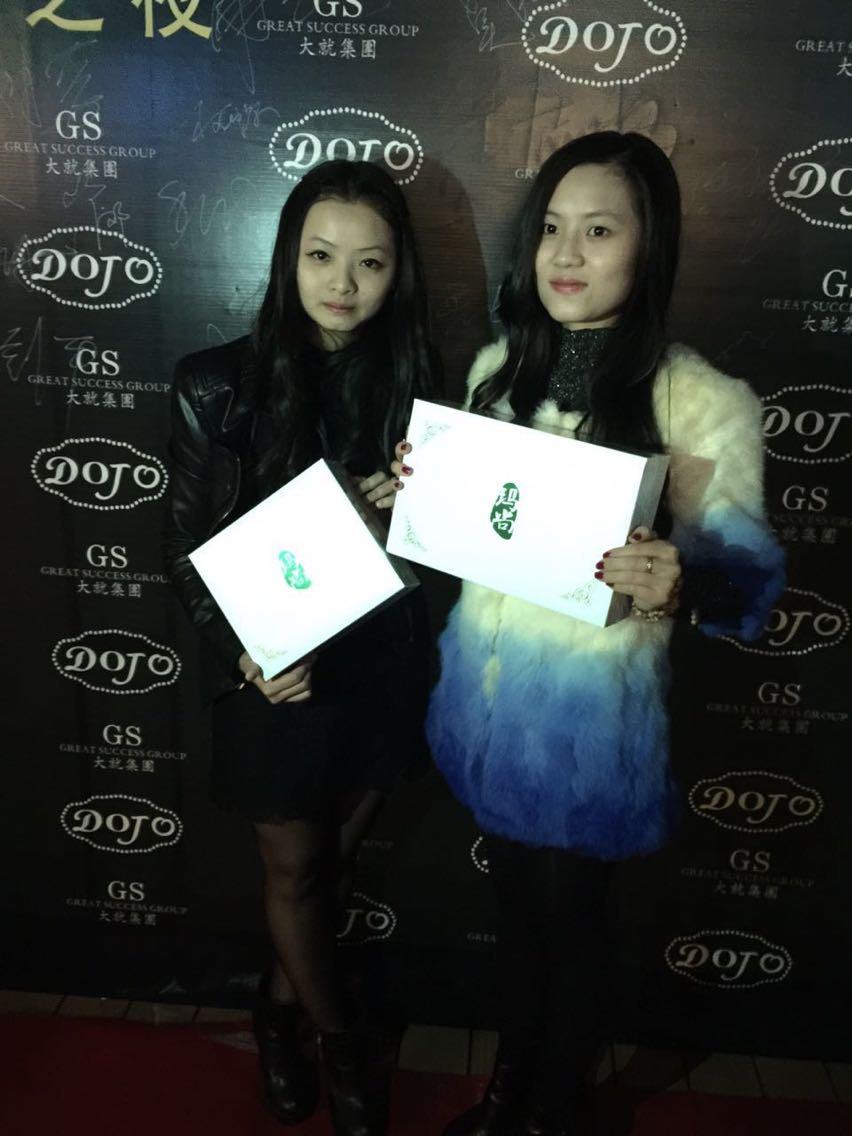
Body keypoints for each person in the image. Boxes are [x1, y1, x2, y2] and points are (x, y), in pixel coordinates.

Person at [393, 132, 784, 1135]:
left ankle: (554, 1106)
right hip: (486, 708)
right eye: (552, 229)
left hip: (588, 731)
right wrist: (419, 491)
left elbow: (746, 584)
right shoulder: (497, 371)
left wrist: (680, 579)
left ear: (649, 247)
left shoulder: (702, 403)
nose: (566, 253)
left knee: (574, 933)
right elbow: (472, 537)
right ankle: (509, 1089)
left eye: (599, 230)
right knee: (517, 921)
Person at [162, 159, 437, 1136]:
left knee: (334, 869)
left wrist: (411, 513)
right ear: (288, 257)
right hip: (276, 675)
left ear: (398, 270)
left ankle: (278, 1015)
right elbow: (183, 549)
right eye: (322, 255)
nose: (343, 283)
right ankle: (344, 1042)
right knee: (294, 873)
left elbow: (446, 555)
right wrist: (244, 653)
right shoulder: (214, 383)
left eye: (370, 261)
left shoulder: (422, 388)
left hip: (380, 667)